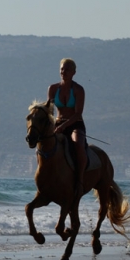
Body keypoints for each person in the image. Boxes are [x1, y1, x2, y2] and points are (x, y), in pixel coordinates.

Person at [47, 58, 87, 196]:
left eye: (67, 69)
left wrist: (63, 126)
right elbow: (50, 110)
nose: (64, 72)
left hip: (75, 124)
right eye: (62, 69)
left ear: (74, 72)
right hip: (58, 124)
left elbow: (77, 114)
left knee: (78, 144)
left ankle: (80, 181)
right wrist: (51, 125)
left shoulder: (78, 89)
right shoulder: (53, 88)